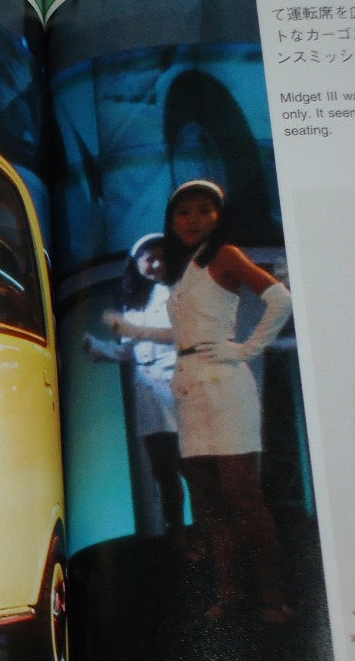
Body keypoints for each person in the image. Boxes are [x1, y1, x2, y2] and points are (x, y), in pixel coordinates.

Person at [105, 180, 293, 622]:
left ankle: (273, 595)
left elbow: (280, 298)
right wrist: (134, 331)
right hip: (188, 386)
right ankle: (229, 593)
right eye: (183, 212)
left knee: (242, 494)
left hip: (224, 384)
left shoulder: (225, 255)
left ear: (218, 215)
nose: (193, 219)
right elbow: (182, 333)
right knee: (208, 500)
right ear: (172, 220)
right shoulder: (183, 270)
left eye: (203, 210)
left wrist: (246, 349)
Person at [83, 233, 186, 544]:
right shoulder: (133, 303)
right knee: (162, 468)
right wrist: (97, 347)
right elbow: (130, 350)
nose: (156, 264)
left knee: (191, 466)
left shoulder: (181, 290)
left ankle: (207, 535)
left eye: (162, 257)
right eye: (149, 258)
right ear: (136, 263)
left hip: (178, 386)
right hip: (147, 392)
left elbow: (181, 334)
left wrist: (135, 330)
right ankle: (177, 533)